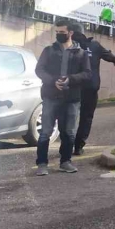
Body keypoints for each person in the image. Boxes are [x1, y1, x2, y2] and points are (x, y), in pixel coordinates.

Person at [34, 18, 92, 176]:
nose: (59, 35)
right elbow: (39, 70)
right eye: (57, 32)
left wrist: (71, 79)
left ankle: (65, 161)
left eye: (62, 32)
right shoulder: (49, 50)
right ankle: (42, 163)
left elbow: (87, 74)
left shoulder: (81, 53)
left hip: (71, 99)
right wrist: (53, 81)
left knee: (69, 132)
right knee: (45, 132)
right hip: (51, 97)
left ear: (71, 33)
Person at [68, 23, 115, 156]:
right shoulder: (94, 46)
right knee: (86, 117)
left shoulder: (68, 45)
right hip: (90, 88)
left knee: (69, 116)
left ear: (71, 33)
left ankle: (67, 145)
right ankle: (78, 146)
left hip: (72, 86)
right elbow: (109, 56)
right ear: (83, 32)